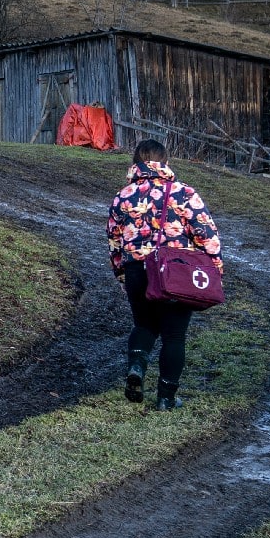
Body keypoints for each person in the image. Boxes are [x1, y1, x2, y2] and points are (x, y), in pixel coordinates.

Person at [106, 139, 224, 411]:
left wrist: (122, 274)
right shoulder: (184, 193)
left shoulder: (122, 196)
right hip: (175, 271)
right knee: (174, 336)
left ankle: (137, 365)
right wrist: (215, 268)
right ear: (166, 162)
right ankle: (166, 398)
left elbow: (114, 240)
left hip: (137, 269)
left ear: (135, 163)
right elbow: (207, 236)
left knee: (144, 325)